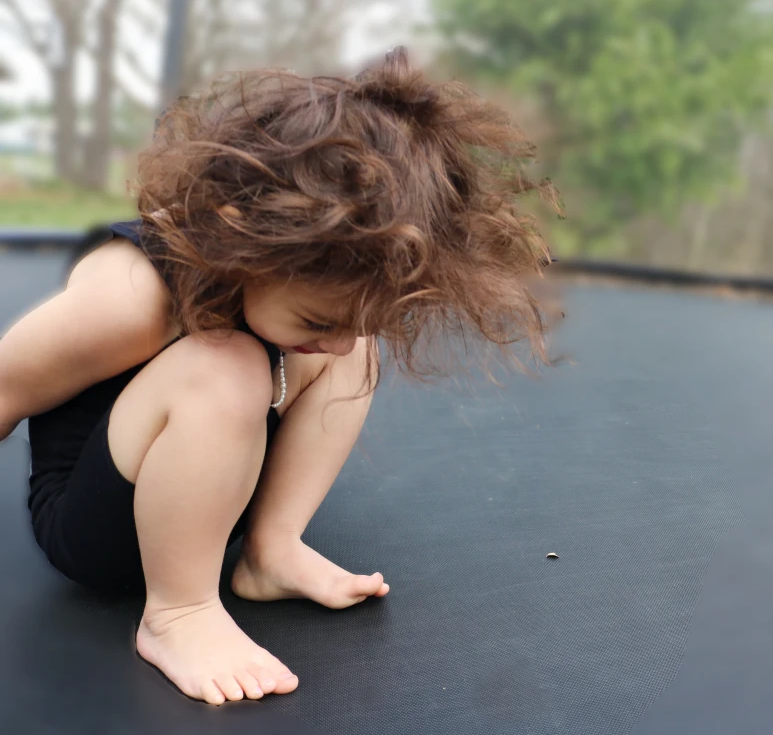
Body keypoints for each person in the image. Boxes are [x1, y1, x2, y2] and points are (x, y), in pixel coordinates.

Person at [0, 48, 560, 706]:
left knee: (352, 350)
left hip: (209, 501)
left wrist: (336, 332)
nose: (343, 335)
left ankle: (271, 549)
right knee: (226, 365)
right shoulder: (129, 299)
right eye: (318, 314)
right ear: (245, 241)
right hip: (95, 522)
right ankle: (178, 613)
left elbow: (341, 333)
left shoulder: (325, 312)